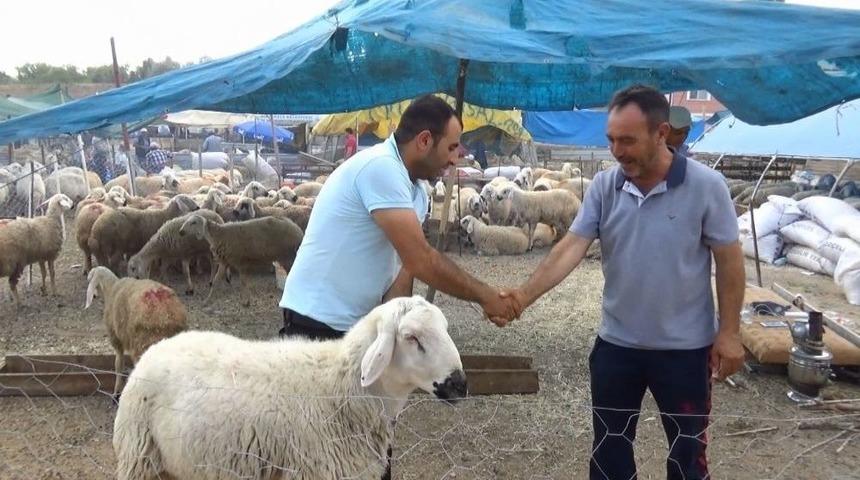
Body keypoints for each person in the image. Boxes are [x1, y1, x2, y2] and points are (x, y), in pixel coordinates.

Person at [501, 85, 745, 480]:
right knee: (609, 453)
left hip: (685, 351)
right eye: (611, 139)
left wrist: (730, 332)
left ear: (662, 133)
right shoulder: (604, 187)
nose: (617, 150)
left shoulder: (706, 186)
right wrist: (522, 297)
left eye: (628, 140)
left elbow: (730, 262)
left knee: (688, 457)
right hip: (617, 347)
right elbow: (570, 247)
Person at [279, 95, 521, 480]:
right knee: (316, 456)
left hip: (361, 332)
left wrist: (398, 326)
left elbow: (405, 266)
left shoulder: (417, 191)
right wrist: (486, 297)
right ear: (424, 140)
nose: (456, 158)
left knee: (370, 449)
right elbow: (422, 258)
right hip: (317, 324)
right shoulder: (379, 168)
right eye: (452, 147)